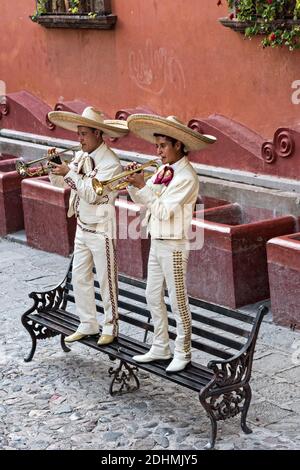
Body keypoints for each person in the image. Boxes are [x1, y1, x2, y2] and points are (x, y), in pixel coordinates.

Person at [125, 115, 216, 372]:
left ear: (178, 145)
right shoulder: (164, 171)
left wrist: (142, 185)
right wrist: (135, 183)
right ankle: (160, 345)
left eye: (163, 145)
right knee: (152, 295)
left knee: (177, 300)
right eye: (157, 146)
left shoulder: (187, 177)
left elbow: (164, 211)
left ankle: (183, 351)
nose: (158, 151)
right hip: (157, 241)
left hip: (175, 245)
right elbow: (144, 199)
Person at [47, 106, 128, 345]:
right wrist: (56, 166)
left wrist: (69, 174)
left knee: (106, 280)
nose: (79, 138)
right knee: (80, 277)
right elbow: (63, 184)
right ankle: (87, 323)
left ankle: (110, 327)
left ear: (97, 134)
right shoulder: (81, 156)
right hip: (82, 226)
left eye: (83, 133)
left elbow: (92, 194)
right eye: (78, 133)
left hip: (102, 229)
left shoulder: (110, 162)